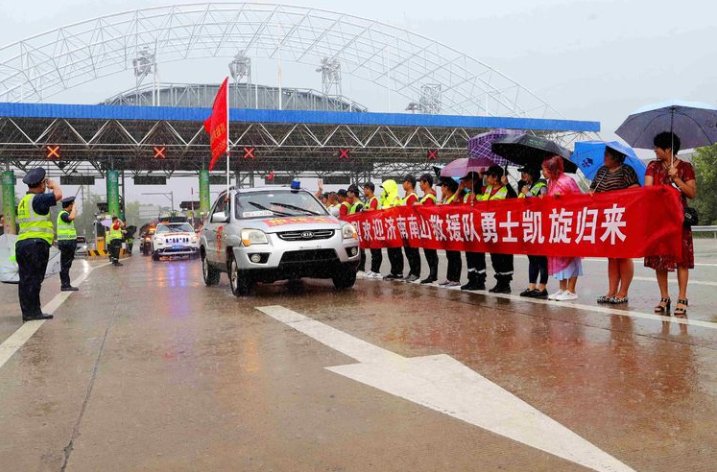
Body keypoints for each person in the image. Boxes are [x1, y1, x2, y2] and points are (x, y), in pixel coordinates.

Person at [644, 132, 697, 316]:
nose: (655, 150)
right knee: (660, 259)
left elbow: (691, 193)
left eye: (657, 147)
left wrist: (676, 179)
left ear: (668, 149)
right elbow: (648, 190)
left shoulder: (686, 167)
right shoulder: (653, 166)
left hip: (679, 219)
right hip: (659, 219)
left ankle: (682, 298)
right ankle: (664, 297)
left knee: (681, 259)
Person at [590, 147, 640, 305]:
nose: (604, 157)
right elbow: (593, 189)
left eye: (607, 155)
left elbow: (635, 189)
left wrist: (617, 196)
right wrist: (592, 193)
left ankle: (623, 291)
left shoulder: (627, 170)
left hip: (622, 216)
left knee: (623, 255)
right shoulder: (602, 171)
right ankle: (611, 291)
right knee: (611, 255)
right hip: (605, 217)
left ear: (616, 157)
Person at [15, 167, 62, 321]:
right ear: (42, 184)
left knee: (25, 279)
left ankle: (28, 311)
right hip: (35, 245)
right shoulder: (38, 199)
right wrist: (54, 185)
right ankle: (33, 312)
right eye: (44, 183)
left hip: (22, 244)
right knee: (34, 279)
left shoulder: (24, 201)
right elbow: (58, 195)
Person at [542, 155, 583, 301]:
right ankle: (562, 288)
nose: (543, 173)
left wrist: (564, 198)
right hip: (556, 224)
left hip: (568, 223)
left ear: (552, 170)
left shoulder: (567, 181)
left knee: (570, 257)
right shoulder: (551, 182)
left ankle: (571, 290)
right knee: (558, 256)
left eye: (545, 170)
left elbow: (578, 199)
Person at [480, 166, 514, 294]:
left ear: (495, 177)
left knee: (504, 256)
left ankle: (505, 283)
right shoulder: (488, 189)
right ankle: (499, 281)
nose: (486, 178)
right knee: (495, 257)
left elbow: (515, 200)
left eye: (488, 175)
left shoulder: (505, 190)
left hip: (502, 228)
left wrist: (508, 184)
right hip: (490, 228)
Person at [517, 167, 549, 299]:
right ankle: (532, 286)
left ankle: (542, 287)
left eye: (525, 172)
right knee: (531, 257)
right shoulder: (526, 186)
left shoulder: (542, 185)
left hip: (539, 225)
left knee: (541, 257)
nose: (523, 175)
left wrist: (528, 193)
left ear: (531, 173)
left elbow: (543, 202)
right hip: (528, 224)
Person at [460, 172, 487, 291]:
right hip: (468, 228)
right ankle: (471, 279)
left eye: (466, 180)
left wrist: (475, 199)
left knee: (478, 256)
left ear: (473, 181)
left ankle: (480, 280)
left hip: (478, 229)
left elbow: (485, 207)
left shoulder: (481, 194)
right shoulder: (466, 196)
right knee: (469, 256)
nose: (464, 183)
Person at [438, 177, 462, 287]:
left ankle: (456, 279)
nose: (441, 188)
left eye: (442, 186)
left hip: (454, 229)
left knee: (454, 255)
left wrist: (458, 190)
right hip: (447, 230)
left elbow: (452, 206)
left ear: (447, 187)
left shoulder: (454, 197)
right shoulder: (446, 198)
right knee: (449, 255)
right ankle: (449, 277)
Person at [380, 179, 404, 280]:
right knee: (390, 251)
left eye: (384, 188)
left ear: (389, 188)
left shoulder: (396, 197)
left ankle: (399, 272)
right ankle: (393, 271)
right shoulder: (385, 198)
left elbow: (395, 209)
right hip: (388, 228)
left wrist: (384, 208)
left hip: (395, 228)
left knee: (396, 251)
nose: (383, 190)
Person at [417, 174, 439, 284]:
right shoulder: (427, 195)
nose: (420, 185)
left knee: (430, 252)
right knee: (428, 252)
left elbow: (428, 211)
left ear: (426, 183)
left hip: (429, 227)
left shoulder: (430, 196)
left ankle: (433, 274)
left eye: (421, 182)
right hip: (425, 227)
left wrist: (418, 207)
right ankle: (432, 274)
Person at [56, 196, 79, 292]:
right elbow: (72, 217)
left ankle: (66, 284)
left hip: (68, 242)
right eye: (72, 205)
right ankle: (65, 285)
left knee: (66, 264)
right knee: (65, 264)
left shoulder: (65, 214)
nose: (74, 207)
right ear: (69, 205)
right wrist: (74, 208)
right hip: (65, 243)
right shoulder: (63, 214)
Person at [401, 175, 421, 282]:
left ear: (409, 183)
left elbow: (412, 212)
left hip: (411, 227)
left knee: (413, 251)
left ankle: (416, 273)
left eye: (404, 182)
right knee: (408, 251)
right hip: (404, 227)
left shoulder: (412, 196)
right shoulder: (406, 196)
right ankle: (412, 271)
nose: (403, 184)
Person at [362, 182, 383, 279]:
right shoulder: (369, 200)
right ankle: (373, 269)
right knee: (373, 249)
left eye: (365, 189)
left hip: (375, 227)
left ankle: (376, 271)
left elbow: (372, 210)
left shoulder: (374, 200)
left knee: (376, 250)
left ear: (370, 189)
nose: (364, 191)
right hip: (370, 228)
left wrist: (364, 211)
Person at [346, 185, 366, 274]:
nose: (347, 194)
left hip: (359, 230)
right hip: (354, 230)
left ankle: (361, 269)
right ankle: (358, 268)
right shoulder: (353, 205)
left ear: (353, 193)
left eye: (349, 192)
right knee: (357, 250)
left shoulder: (359, 205)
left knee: (361, 249)